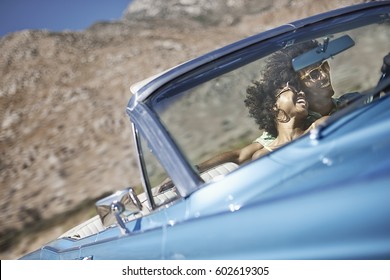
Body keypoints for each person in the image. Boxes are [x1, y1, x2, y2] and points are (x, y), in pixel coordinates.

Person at [196, 40, 334, 171]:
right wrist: (196, 170)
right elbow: (239, 156)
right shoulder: (268, 146)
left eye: (325, 67)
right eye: (314, 74)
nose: (324, 75)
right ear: (273, 107)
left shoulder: (344, 107)